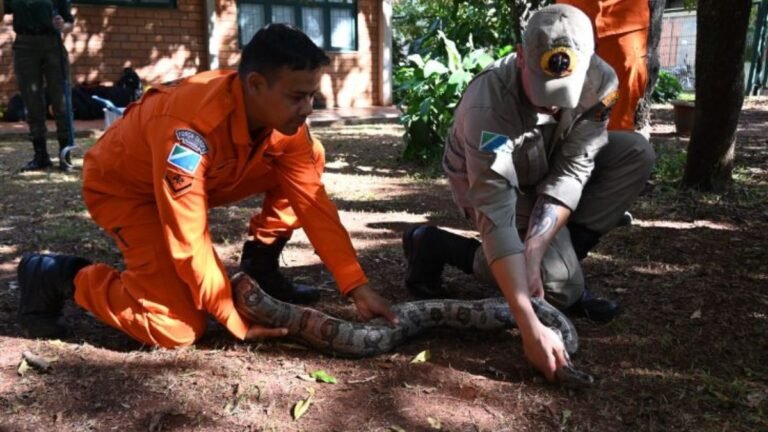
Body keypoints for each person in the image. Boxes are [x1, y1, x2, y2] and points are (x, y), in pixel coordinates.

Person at [16, 24, 398, 348]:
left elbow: (314, 205)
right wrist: (230, 314)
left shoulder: (286, 127)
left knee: (309, 159)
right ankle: (57, 275)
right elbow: (188, 233)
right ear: (256, 84)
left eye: (313, 95)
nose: (308, 108)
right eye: (298, 96)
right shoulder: (188, 129)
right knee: (178, 328)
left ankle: (260, 264)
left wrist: (356, 287)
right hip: (128, 191)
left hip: (202, 180)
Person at [403, 4, 655, 381]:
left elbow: (574, 168)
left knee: (636, 152)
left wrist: (535, 252)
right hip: (497, 182)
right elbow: (495, 209)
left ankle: (558, 268)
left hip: (549, 163)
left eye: (562, 93)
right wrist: (527, 322)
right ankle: (434, 244)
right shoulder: (487, 105)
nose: (552, 103)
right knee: (558, 289)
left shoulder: (602, 82)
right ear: (521, 57)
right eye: (543, 88)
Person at [2, 0, 75, 171]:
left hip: (52, 45)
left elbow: (69, 22)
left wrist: (63, 26)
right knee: (32, 101)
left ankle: (65, 154)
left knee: (61, 101)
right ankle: (40, 155)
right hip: (24, 46)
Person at [557, 0, 650, 132]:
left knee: (620, 95)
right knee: (565, 89)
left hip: (624, 17)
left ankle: (615, 142)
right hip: (571, 16)